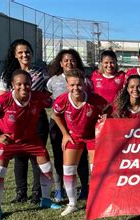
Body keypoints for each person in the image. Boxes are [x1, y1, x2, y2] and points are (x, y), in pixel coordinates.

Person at [0, 70, 61, 220]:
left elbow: (56, 103)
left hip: (31, 140)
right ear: (12, 85)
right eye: (19, 84)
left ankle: (45, 200)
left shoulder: (37, 98)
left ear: (31, 84)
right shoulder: (4, 100)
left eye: (26, 83)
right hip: (8, 141)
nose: (23, 87)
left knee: (46, 169)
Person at [0, 39, 49, 204]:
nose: (24, 54)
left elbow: (50, 91)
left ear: (32, 53)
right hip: (13, 120)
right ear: (15, 54)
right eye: (20, 52)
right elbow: (0, 102)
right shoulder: (8, 73)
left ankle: (37, 192)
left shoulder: (42, 72)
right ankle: (21, 192)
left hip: (35, 116)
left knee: (37, 155)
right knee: (19, 157)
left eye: (27, 51)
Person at [52, 69, 109, 216]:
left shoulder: (94, 99)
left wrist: (104, 117)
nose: (75, 88)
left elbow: (108, 109)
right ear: (67, 85)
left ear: (84, 84)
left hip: (92, 136)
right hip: (73, 136)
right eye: (72, 85)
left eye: (78, 84)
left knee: (96, 169)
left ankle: (98, 200)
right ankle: (72, 203)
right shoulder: (62, 100)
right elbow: (56, 115)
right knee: (69, 169)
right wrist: (65, 134)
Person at [46, 49, 91, 202]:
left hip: (79, 121)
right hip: (59, 122)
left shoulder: (85, 80)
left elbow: (90, 100)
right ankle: (59, 189)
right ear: (61, 63)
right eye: (66, 60)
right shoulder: (53, 80)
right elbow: (48, 101)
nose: (69, 63)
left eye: (72, 60)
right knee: (60, 156)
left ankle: (85, 188)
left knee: (82, 157)